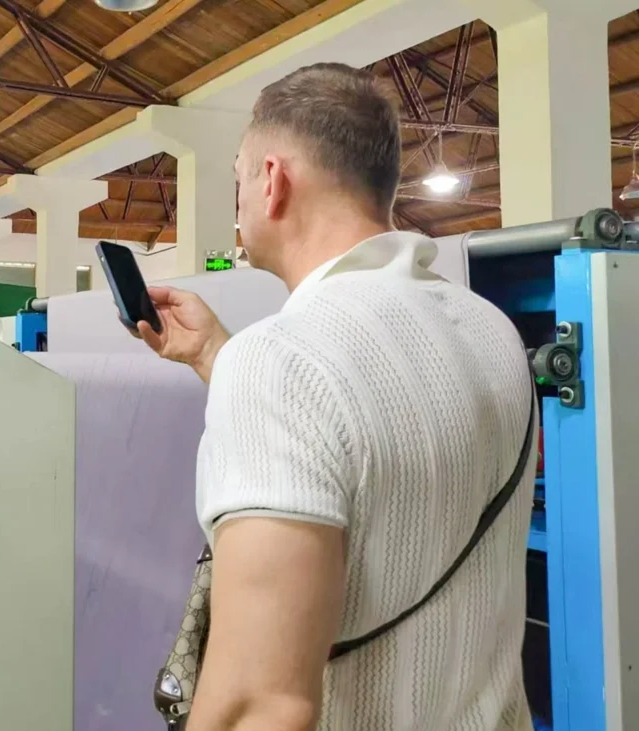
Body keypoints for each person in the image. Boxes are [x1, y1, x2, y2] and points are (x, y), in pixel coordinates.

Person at [137, 63, 534, 730]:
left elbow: (257, 705)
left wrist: (245, 367)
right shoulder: (488, 329)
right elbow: (377, 434)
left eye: (237, 180)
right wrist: (216, 355)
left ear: (272, 180)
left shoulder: (280, 361)